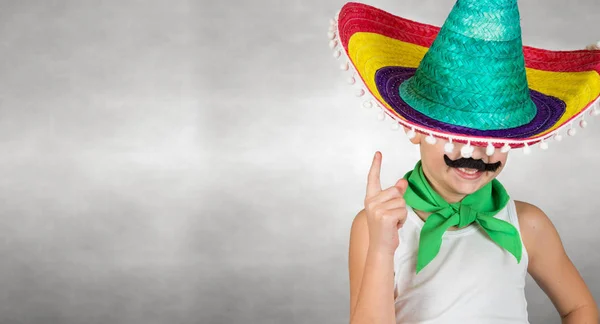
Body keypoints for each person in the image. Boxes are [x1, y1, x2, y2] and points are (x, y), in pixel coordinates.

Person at [327, 0, 600, 323]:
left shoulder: (528, 224)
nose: (475, 152)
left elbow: (579, 308)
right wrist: (382, 248)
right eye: (456, 134)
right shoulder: (377, 226)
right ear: (413, 130)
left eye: (494, 140)